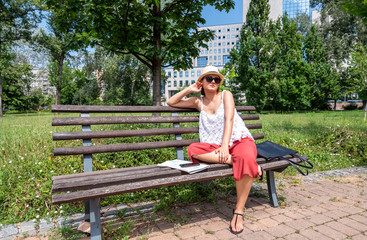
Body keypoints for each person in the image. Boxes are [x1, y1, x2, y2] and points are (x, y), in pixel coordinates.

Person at [167, 65, 263, 234]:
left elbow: (230, 119)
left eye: (216, 79)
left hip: (238, 139)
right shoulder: (198, 102)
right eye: (209, 78)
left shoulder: (226, 95)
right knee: (192, 149)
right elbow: (170, 102)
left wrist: (225, 145)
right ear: (201, 82)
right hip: (215, 146)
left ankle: (238, 212)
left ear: (219, 83)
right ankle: (247, 164)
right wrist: (189, 89)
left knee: (245, 154)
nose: (213, 81)